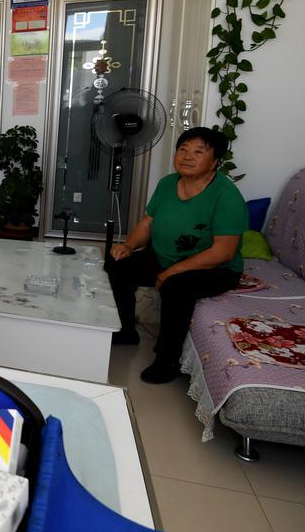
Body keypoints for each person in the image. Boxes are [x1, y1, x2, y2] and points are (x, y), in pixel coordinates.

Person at [106, 127, 247, 383]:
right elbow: (148, 222)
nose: (187, 156)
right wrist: (128, 246)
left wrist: (172, 271)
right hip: (164, 257)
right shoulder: (168, 183)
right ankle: (126, 331)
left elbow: (223, 251)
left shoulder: (226, 196)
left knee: (175, 287)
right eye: (183, 149)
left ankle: (168, 360)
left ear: (215, 161)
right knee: (117, 265)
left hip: (214, 268)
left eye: (198, 151)